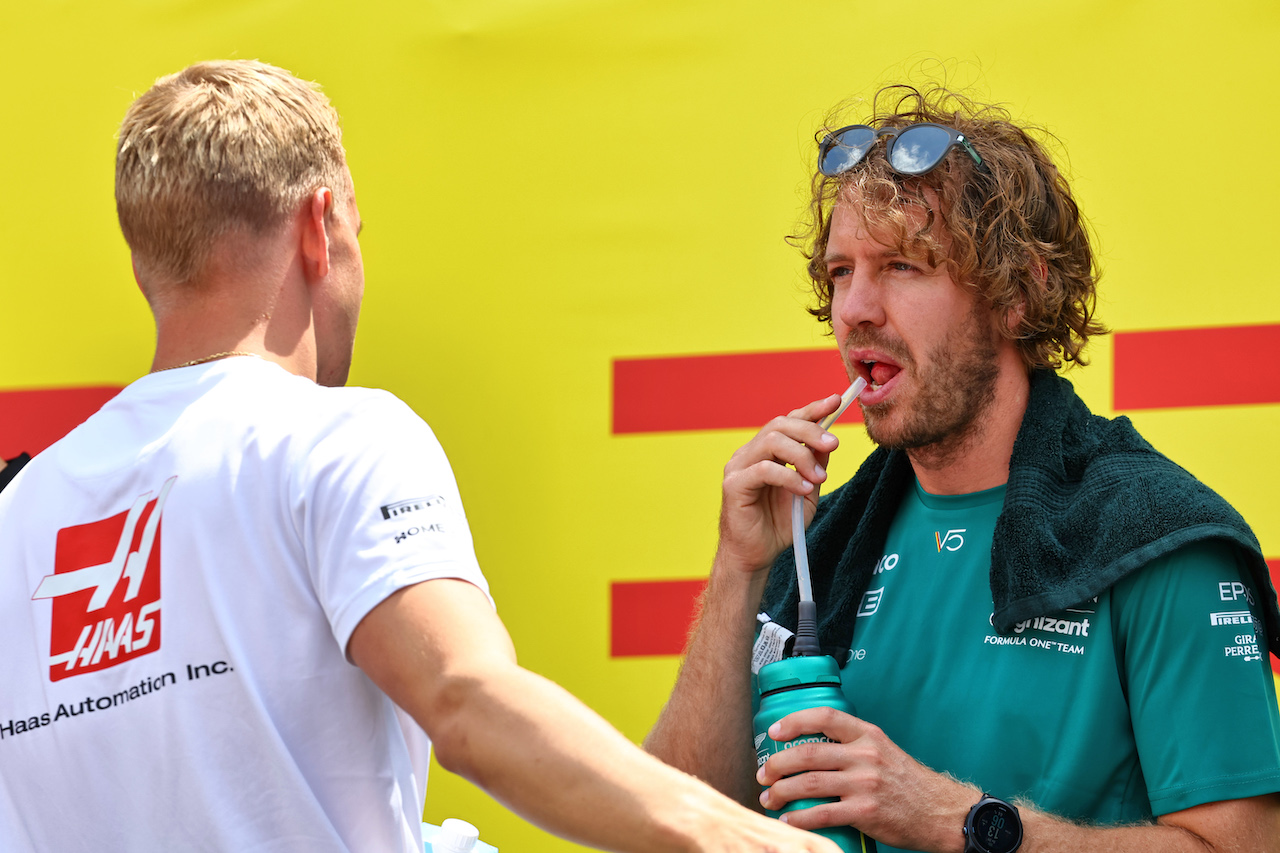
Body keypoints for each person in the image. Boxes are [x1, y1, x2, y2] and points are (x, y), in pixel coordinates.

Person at [0, 60, 842, 853]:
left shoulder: (18, 515)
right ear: (318, 227)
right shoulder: (330, 439)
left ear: (147, 262)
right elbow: (467, 701)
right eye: (355, 231)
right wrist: (756, 840)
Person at [645, 84, 1280, 853]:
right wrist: (740, 565)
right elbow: (667, 826)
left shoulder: (1156, 538)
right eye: (841, 271)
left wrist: (953, 818)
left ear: (1019, 295)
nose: (855, 309)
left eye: (904, 266)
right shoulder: (826, 542)